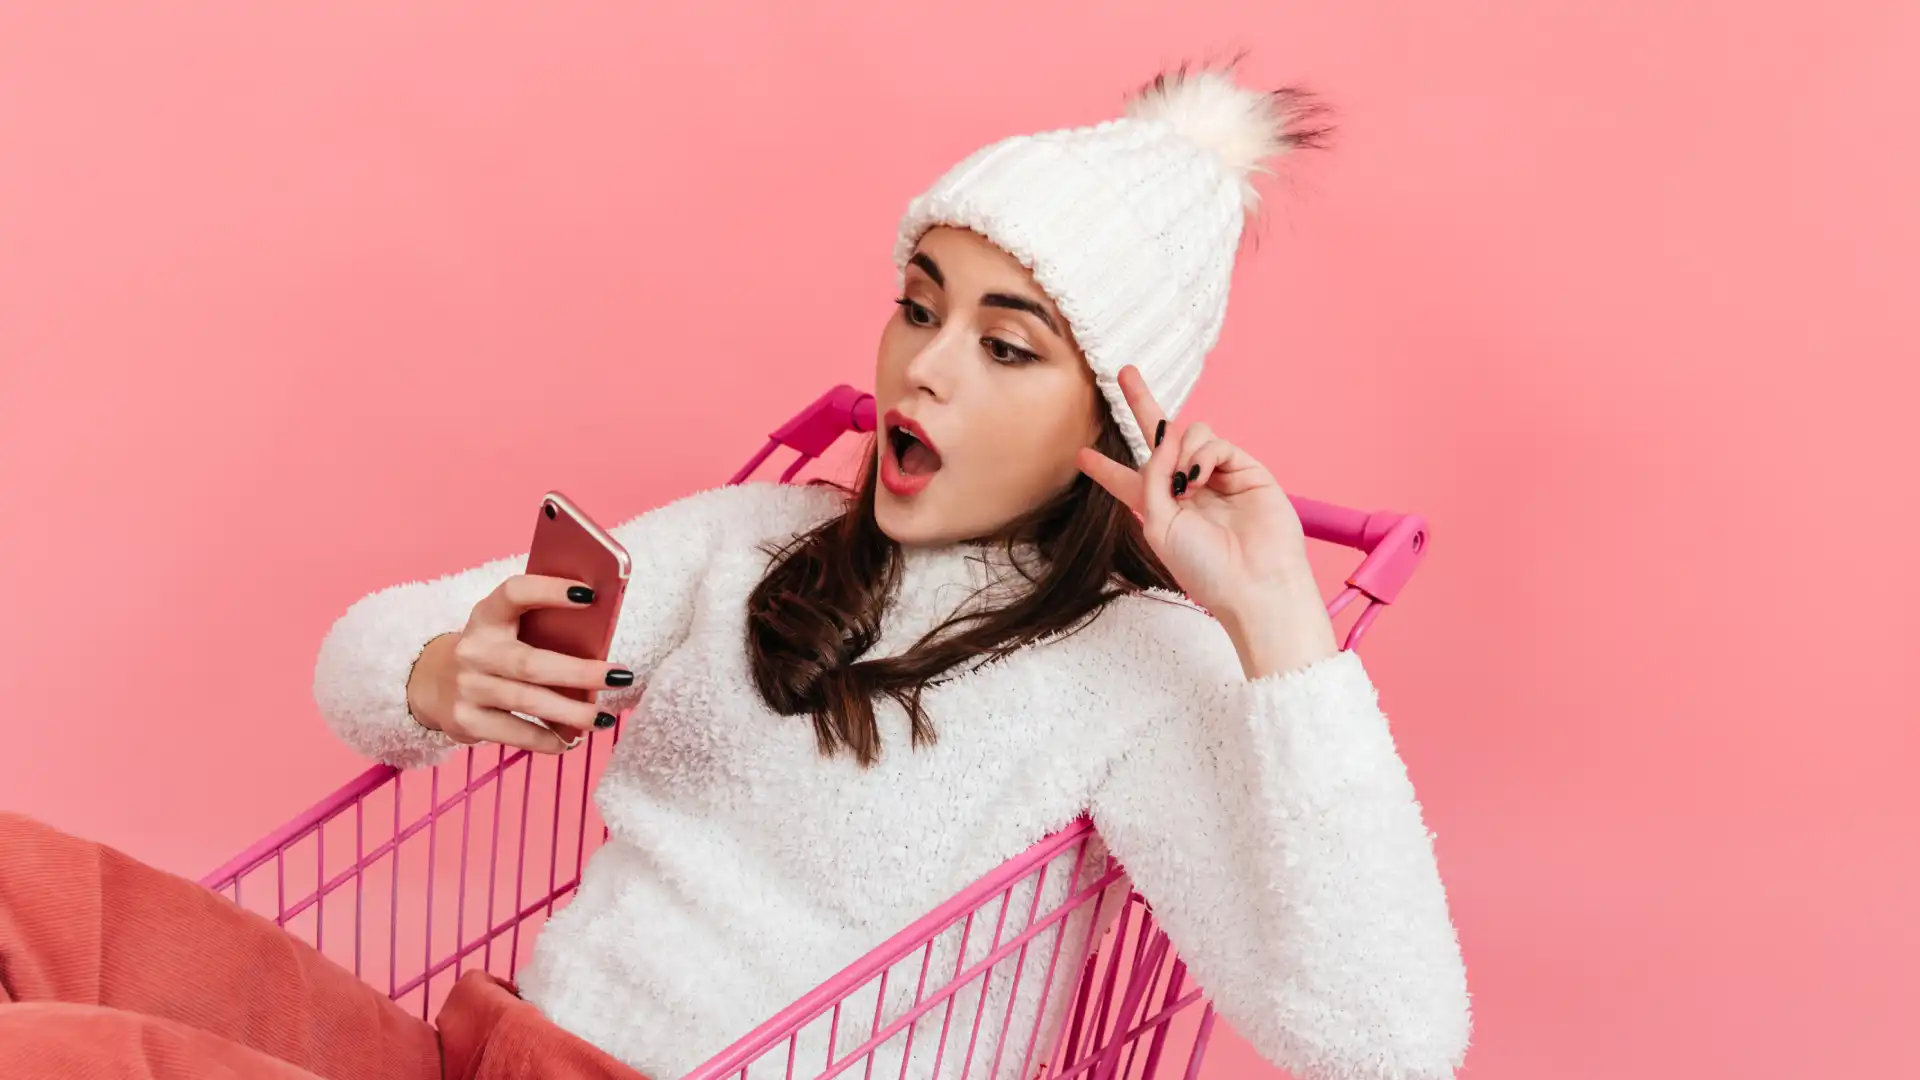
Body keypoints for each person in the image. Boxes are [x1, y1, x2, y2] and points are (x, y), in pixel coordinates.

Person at [0, 64, 1469, 1080]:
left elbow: (1388, 1040)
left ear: (1115, 419)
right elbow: (361, 658)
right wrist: (442, 671)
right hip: (498, 1054)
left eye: (1007, 347)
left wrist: (1282, 632)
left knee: (66, 1059)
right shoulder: (753, 541)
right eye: (918, 308)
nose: (925, 369)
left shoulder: (1146, 670)